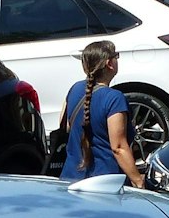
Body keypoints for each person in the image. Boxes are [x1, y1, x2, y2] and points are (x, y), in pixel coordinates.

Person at [61, 40, 144, 187]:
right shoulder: (114, 98)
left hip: (71, 179)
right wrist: (138, 180)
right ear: (109, 63)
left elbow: (66, 127)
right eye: (116, 56)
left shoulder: (74, 88)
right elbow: (118, 147)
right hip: (105, 182)